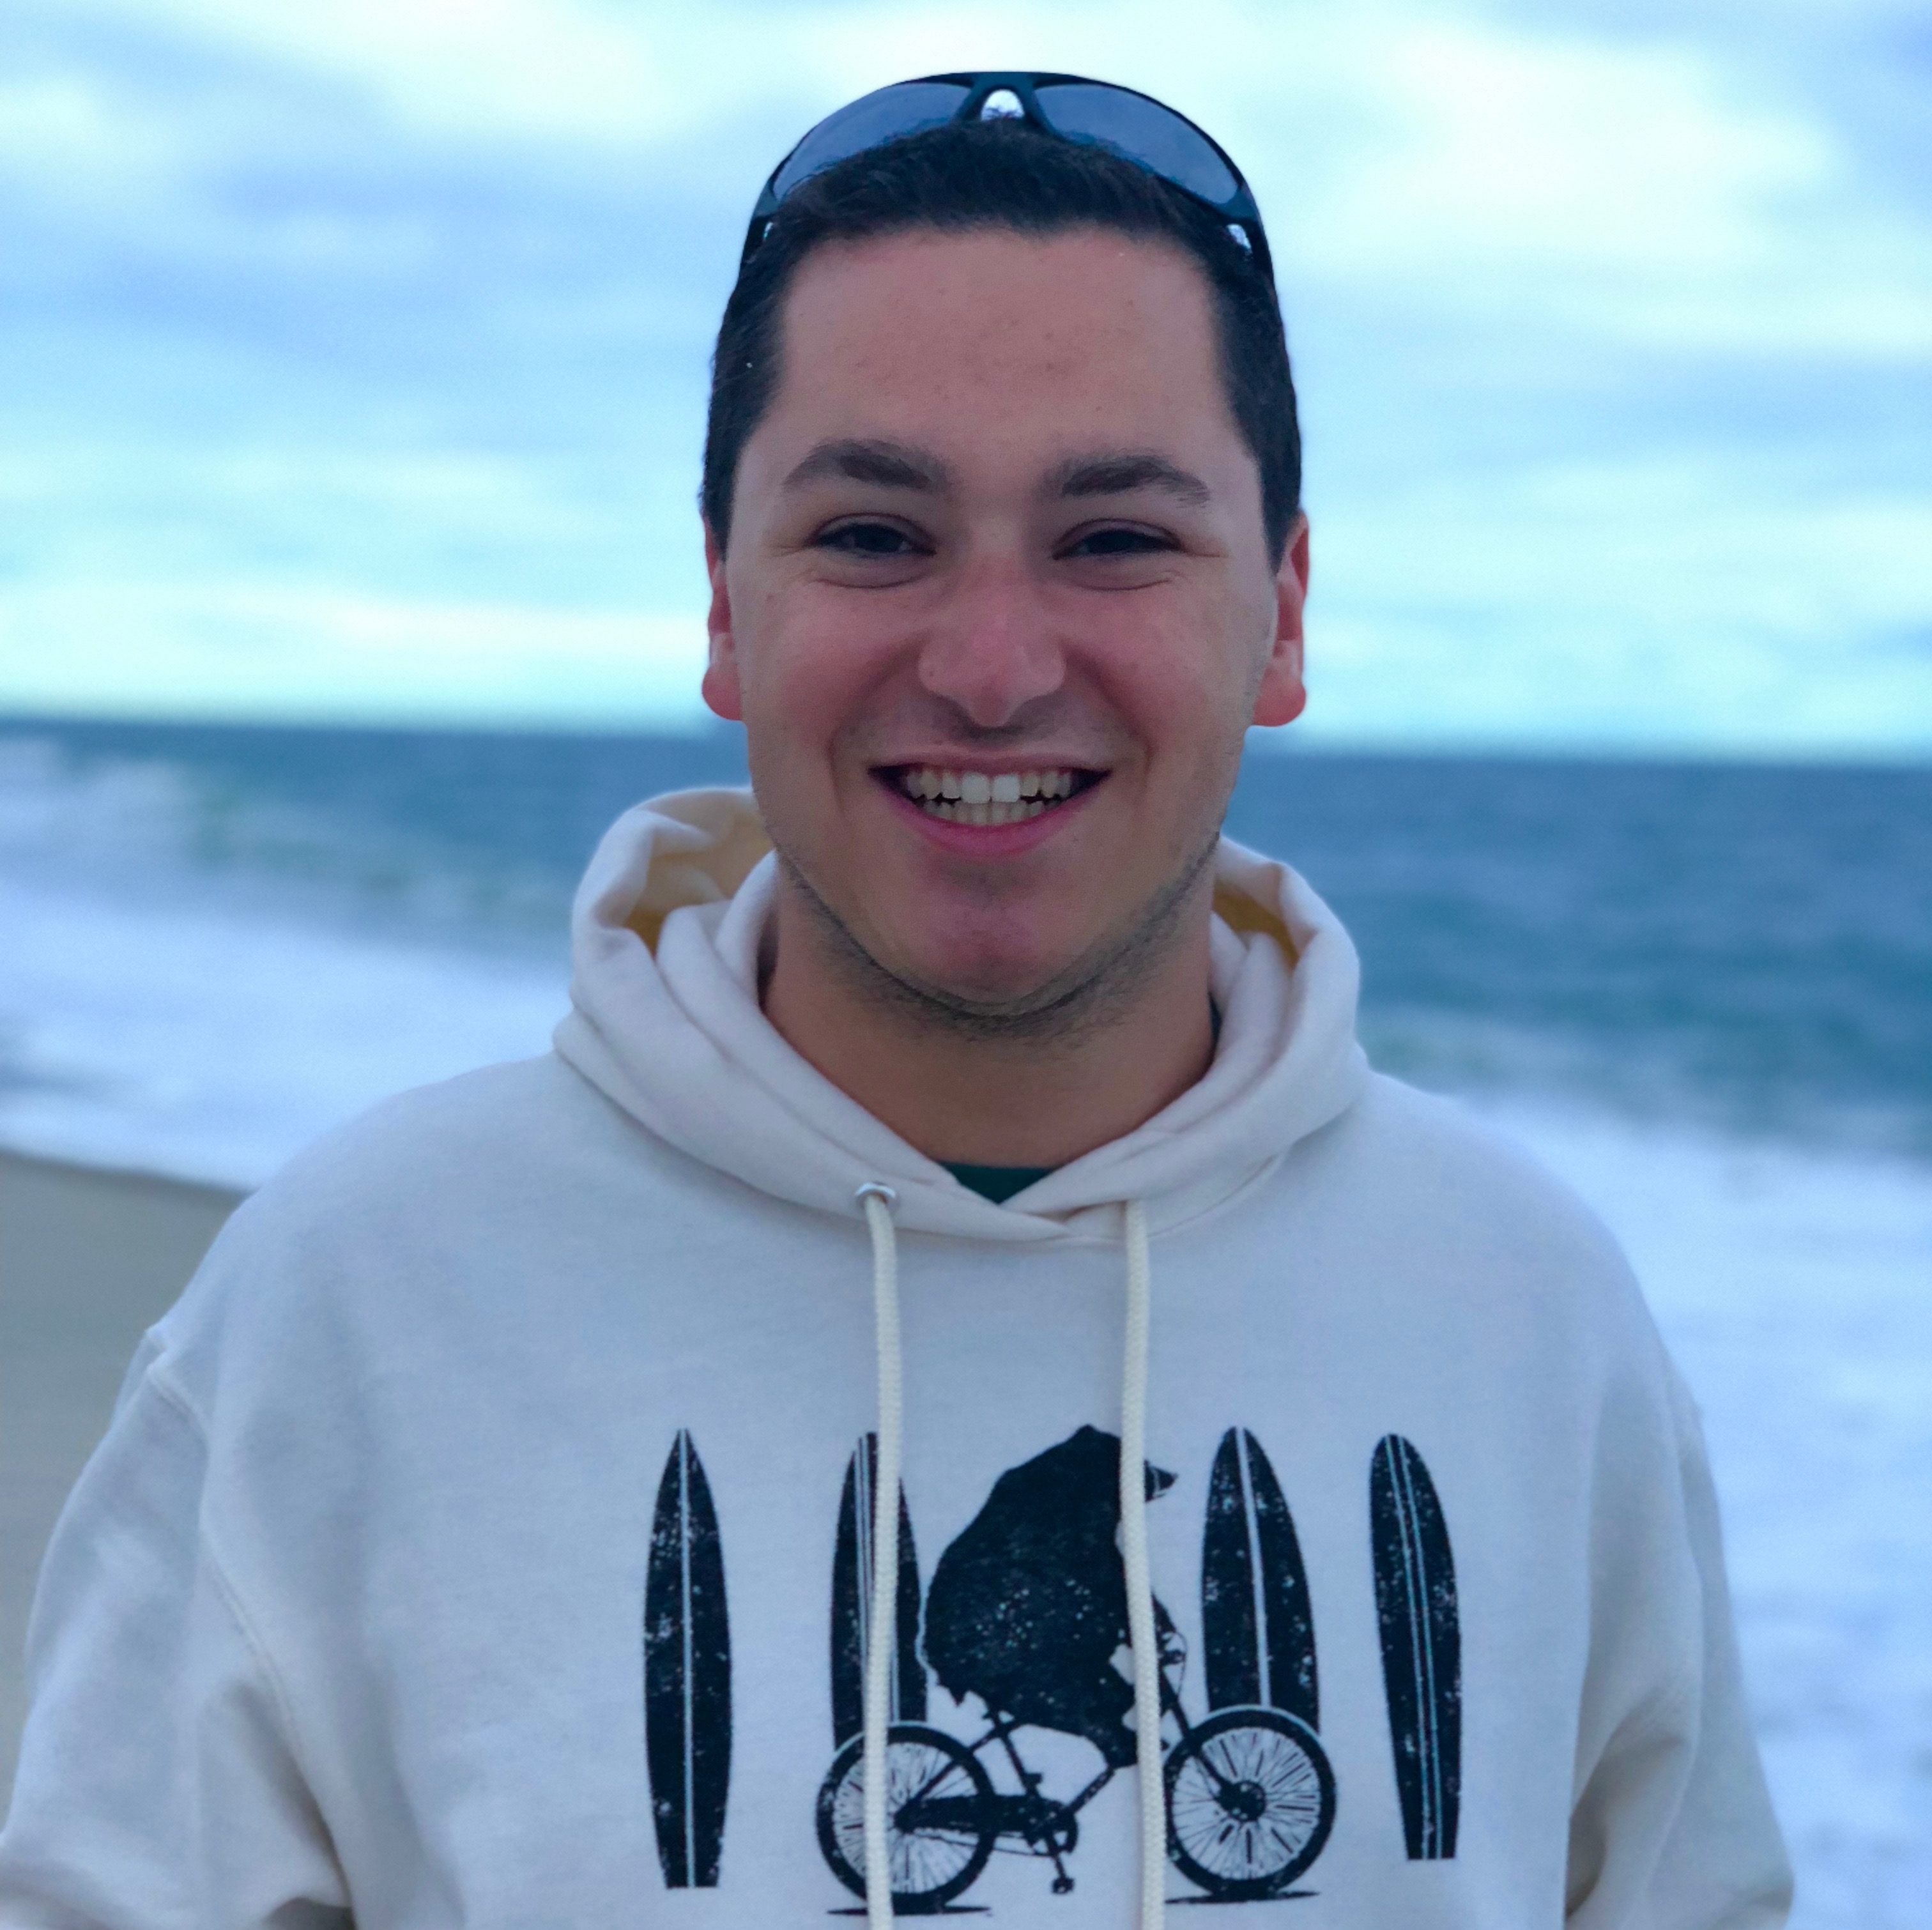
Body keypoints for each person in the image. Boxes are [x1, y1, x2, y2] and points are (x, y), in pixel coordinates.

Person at [0, 73, 1791, 1928]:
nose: (993, 669)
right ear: (725, 605)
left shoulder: (1527, 1310)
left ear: (1284, 610)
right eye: (873, 534)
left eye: (1114, 539)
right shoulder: (348, 1307)